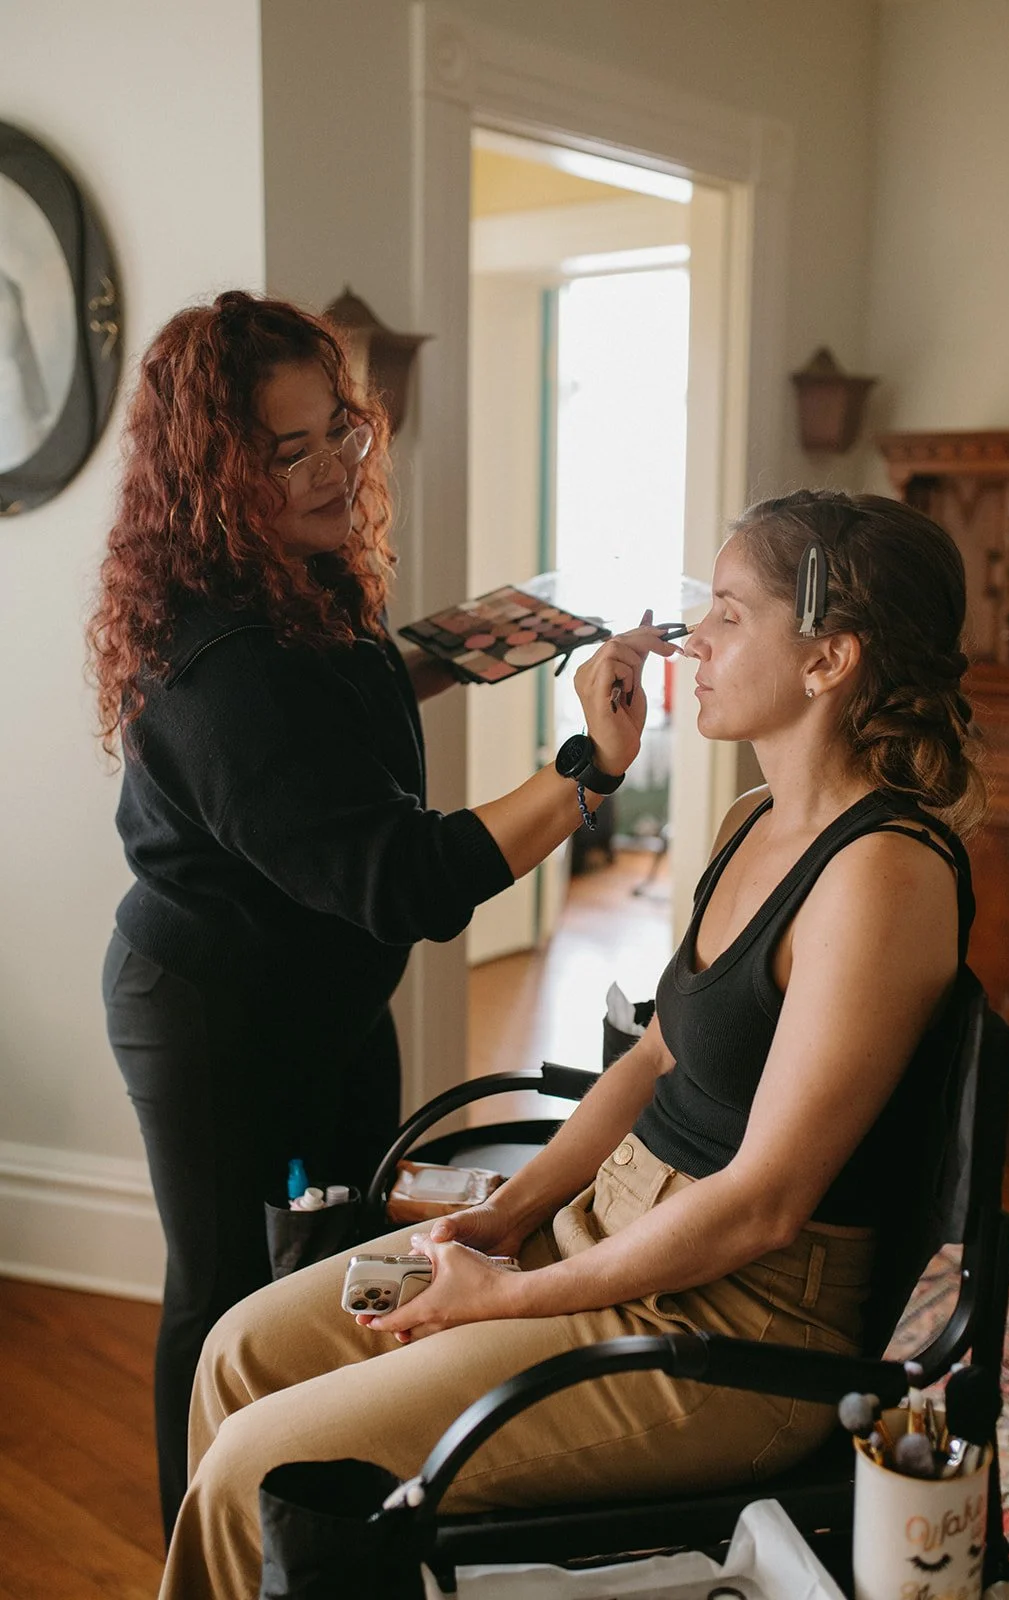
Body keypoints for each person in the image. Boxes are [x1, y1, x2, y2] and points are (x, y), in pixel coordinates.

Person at [156, 488, 986, 1598]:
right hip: (611, 1229)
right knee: (239, 1351)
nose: (694, 637)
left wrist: (502, 1298)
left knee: (253, 1467)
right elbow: (651, 1060)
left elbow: (761, 1204)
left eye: (731, 614)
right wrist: (506, 1214)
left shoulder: (884, 875)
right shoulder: (750, 820)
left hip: (734, 1323)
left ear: (829, 657)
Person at [88, 290, 673, 1542]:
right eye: (282, 452)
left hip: (325, 984)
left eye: (336, 434)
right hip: (209, 1012)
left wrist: (471, 644)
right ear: (213, 472)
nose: (326, 472)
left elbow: (336, 697)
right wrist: (585, 774)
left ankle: (325, 1507)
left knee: (345, 1247)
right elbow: (405, 876)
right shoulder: (215, 664)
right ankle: (208, 1541)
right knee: (224, 1290)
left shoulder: (288, 575)